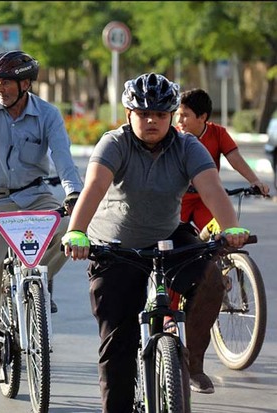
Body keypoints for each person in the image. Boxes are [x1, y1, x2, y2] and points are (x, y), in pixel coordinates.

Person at [61, 72, 251, 411]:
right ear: (129, 114)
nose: (152, 121)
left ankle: (190, 359)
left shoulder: (186, 145)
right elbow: (94, 189)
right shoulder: (114, 143)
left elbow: (212, 188)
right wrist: (77, 232)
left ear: (171, 116)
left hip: (166, 235)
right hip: (114, 246)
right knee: (118, 343)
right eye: (144, 113)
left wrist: (231, 227)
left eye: (161, 114)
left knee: (211, 279)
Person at [0, 49, 84, 385]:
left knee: (69, 228)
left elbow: (63, 157)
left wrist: (73, 194)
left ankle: (39, 280)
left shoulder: (47, 114)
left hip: (33, 196)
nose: (1, 88)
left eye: (7, 82)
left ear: (26, 84)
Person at [177, 88, 270, 231]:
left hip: (206, 201)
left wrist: (254, 181)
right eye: (178, 115)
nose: (179, 120)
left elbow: (235, 159)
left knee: (222, 237)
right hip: (177, 203)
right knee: (170, 246)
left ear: (202, 117)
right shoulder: (173, 137)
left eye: (185, 115)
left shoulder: (218, 133)